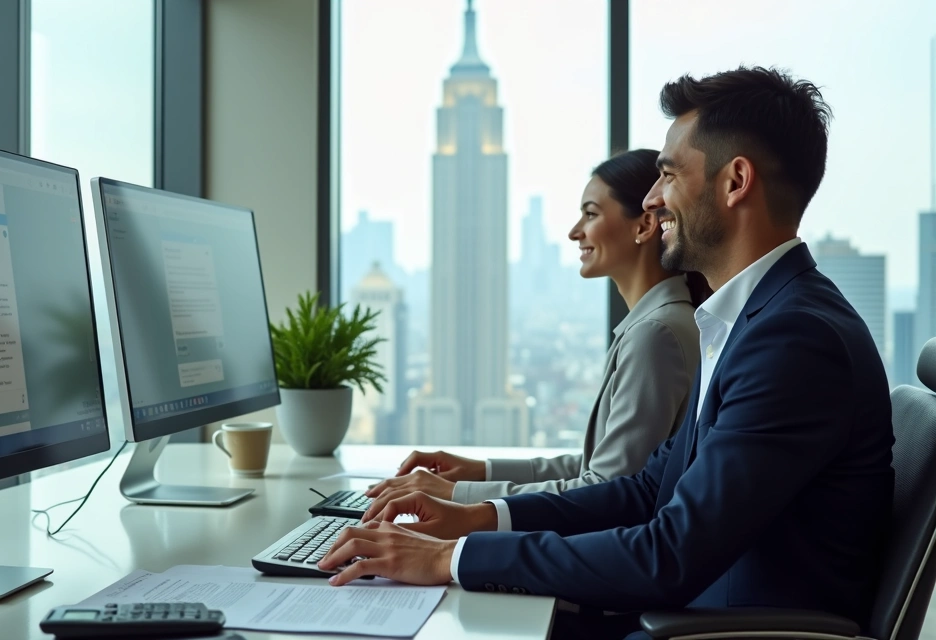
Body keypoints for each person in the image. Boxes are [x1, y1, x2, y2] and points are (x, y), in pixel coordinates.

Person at [319, 66, 894, 640]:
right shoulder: (745, 321)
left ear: (735, 181)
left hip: (721, 629)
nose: (652, 199)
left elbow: (670, 555)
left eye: (668, 174)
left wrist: (452, 558)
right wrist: (477, 517)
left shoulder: (793, 339)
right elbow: (647, 491)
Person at [364, 150, 704, 515]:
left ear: (644, 226)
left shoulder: (655, 334)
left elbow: (606, 489)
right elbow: (598, 465)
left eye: (590, 214)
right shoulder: (658, 323)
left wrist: (457, 496)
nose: (575, 232)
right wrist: (479, 472)